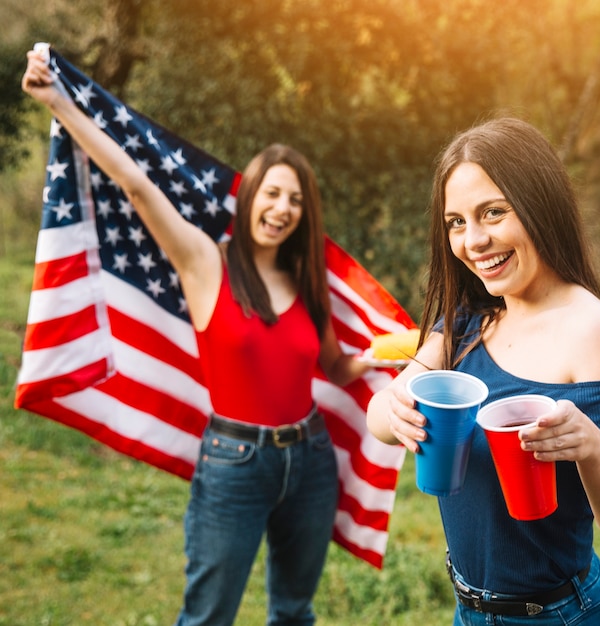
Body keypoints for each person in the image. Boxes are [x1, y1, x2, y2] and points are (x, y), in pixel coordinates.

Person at [22, 49, 372, 626]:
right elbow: (136, 184)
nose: (282, 208)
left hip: (311, 460)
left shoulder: (308, 282)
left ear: (305, 213)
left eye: (295, 199)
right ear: (250, 194)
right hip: (235, 463)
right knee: (208, 617)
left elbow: (335, 368)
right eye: (272, 192)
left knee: (295, 612)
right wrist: (58, 102)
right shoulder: (206, 261)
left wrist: (388, 356)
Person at [367, 117, 600, 624]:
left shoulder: (592, 330)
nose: (474, 240)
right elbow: (380, 417)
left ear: (539, 205)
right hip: (471, 611)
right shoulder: (465, 322)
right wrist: (393, 407)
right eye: (457, 222)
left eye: (493, 213)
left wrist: (590, 445)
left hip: (563, 614)